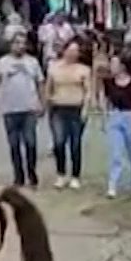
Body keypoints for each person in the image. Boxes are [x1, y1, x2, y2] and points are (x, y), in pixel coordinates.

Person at [0, 30, 44, 187]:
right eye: (17, 43)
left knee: (30, 142)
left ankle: (32, 173)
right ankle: (18, 176)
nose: (20, 46)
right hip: (10, 109)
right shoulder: (2, 63)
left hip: (29, 108)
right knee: (14, 144)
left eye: (23, 43)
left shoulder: (33, 62)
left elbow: (40, 83)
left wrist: (42, 102)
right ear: (10, 45)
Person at [43, 39, 93, 189]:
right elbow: (48, 88)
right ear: (64, 51)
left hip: (76, 108)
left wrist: (86, 108)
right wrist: (47, 103)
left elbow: (88, 91)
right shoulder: (53, 68)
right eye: (70, 50)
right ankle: (61, 174)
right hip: (58, 108)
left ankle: (75, 176)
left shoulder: (84, 70)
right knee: (59, 142)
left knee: (75, 144)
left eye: (76, 51)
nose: (73, 53)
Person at [100, 53, 131, 198]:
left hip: (130, 116)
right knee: (116, 153)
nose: (111, 67)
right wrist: (104, 117)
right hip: (115, 116)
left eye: (114, 64)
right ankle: (113, 185)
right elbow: (105, 101)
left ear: (122, 66)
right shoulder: (109, 83)